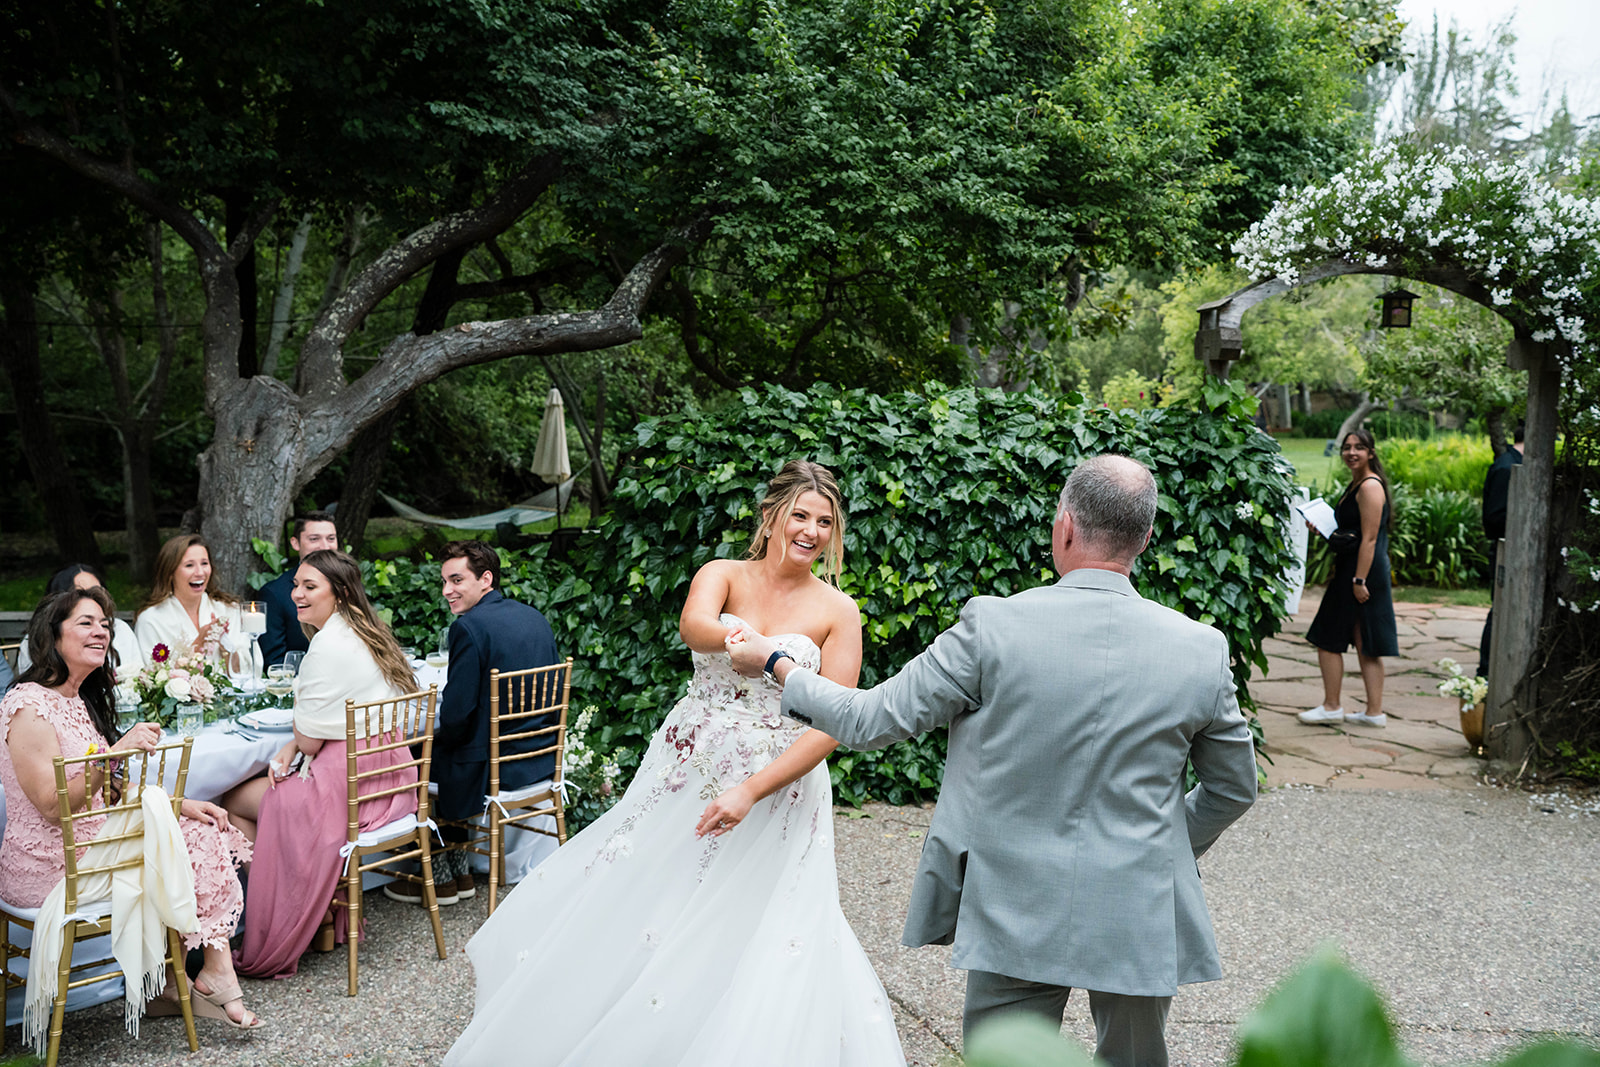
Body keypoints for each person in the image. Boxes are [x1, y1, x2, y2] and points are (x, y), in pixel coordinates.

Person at [728, 455, 1257, 1067]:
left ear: (1064, 526)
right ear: (1144, 539)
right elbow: (1233, 788)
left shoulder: (992, 626)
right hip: (1138, 902)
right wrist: (1161, 845)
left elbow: (869, 720)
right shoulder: (1200, 649)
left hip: (1014, 901)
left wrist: (776, 663)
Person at [443, 461, 905, 1067]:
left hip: (779, 786)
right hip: (690, 767)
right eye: (800, 515)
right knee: (656, 892)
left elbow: (833, 721)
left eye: (824, 522)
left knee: (761, 914)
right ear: (772, 516)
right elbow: (693, 626)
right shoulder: (722, 574)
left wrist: (752, 788)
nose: (811, 531)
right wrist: (746, 647)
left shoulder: (839, 611)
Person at [0, 588, 259, 1029]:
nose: (101, 631)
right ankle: (192, 978)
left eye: (104, 624)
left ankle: (182, 980)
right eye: (86, 623)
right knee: (179, 845)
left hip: (92, 846)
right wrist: (116, 752)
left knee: (194, 829)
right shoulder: (28, 705)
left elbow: (108, 789)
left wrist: (181, 804)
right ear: (52, 634)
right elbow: (51, 805)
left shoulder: (76, 699)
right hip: (52, 866)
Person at [223, 550, 418, 978]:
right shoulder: (367, 629)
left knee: (233, 800)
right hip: (388, 779)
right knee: (269, 786)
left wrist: (298, 736)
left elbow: (312, 739)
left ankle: (293, 909)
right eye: (296, 585)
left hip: (346, 790)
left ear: (340, 593)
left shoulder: (326, 646)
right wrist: (294, 743)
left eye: (310, 587)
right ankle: (319, 910)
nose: (297, 594)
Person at [384, 539, 558, 907]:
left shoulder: (469, 627)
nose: (447, 590)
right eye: (444, 581)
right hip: (540, 757)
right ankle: (458, 870)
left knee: (408, 753)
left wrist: (429, 736)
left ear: (486, 579)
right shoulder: (534, 617)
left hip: (495, 767)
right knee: (445, 747)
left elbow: (456, 716)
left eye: (457, 580)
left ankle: (437, 876)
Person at [1299, 429, 1399, 728]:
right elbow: (1352, 531)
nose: (1351, 452)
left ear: (1371, 453)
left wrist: (1358, 581)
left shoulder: (1369, 486)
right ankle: (1374, 713)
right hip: (1358, 570)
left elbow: (1369, 539)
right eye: (1347, 447)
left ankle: (1332, 706)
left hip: (1360, 573)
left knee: (1327, 636)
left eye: (1359, 447)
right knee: (1363, 639)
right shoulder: (1358, 483)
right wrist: (1322, 528)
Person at [134, 535, 246, 670]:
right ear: (170, 573)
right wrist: (199, 643)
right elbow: (152, 677)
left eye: (204, 563)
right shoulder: (151, 620)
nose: (200, 572)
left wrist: (225, 646)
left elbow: (247, 673)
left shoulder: (228, 610)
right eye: (189, 565)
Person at [18, 564, 145, 676]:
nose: (91, 598)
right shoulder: (36, 640)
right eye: (81, 593)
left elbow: (136, 679)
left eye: (98, 591)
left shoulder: (120, 629)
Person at [255, 511, 338, 670]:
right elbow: (275, 663)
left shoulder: (350, 584)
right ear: (295, 543)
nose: (325, 546)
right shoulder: (275, 593)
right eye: (314, 539)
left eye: (331, 538)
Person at [1478, 423, 1524, 679]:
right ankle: (1485, 672)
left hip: (1514, 550)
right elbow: (1494, 519)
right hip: (1505, 551)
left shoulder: (1513, 463)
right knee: (1499, 611)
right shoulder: (1507, 468)